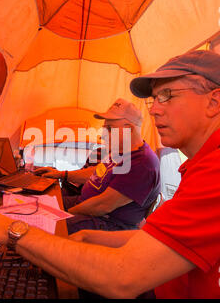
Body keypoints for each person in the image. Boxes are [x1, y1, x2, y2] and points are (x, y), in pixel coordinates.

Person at [0, 50, 220, 298]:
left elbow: (123, 279)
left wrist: (11, 231)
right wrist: (94, 240)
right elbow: (166, 241)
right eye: (154, 101)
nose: (156, 111)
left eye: (167, 96)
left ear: (214, 101)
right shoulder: (209, 162)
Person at [34, 98, 161, 234]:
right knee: (40, 204)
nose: (103, 135)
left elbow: (102, 205)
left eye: (110, 129)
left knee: (43, 225)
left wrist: (63, 214)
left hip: (108, 222)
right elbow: (99, 172)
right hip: (87, 205)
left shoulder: (141, 164)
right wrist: (61, 174)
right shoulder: (122, 151)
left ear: (128, 129)